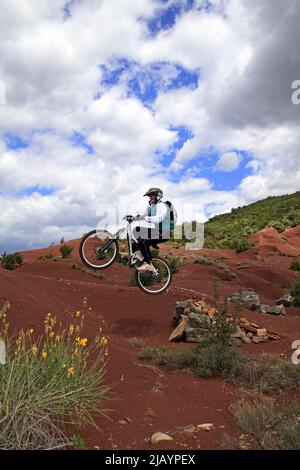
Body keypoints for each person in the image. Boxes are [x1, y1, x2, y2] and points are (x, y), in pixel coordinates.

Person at [132, 187, 173, 272]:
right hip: (157, 231)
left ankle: (148, 263)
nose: (150, 198)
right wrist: (132, 217)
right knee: (136, 230)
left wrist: (146, 218)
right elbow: (143, 216)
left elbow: (158, 219)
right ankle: (137, 254)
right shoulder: (150, 208)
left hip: (164, 233)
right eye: (149, 197)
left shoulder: (162, 206)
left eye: (151, 196)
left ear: (158, 196)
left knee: (143, 242)